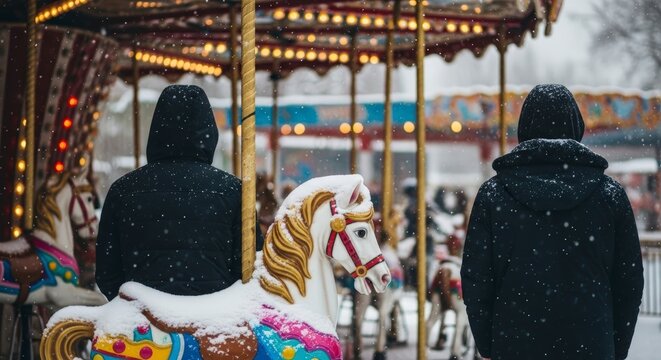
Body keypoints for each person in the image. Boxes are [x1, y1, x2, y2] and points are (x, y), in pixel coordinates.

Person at [461, 84, 644, 360]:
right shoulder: (609, 195)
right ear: (576, 126)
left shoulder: (494, 195)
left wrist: (488, 345)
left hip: (514, 343)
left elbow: (476, 279)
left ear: (525, 127)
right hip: (591, 342)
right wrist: (615, 345)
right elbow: (629, 281)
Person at [96, 85, 263, 299]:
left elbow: (107, 271)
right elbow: (250, 266)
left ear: (157, 128)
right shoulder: (232, 191)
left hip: (141, 318)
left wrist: (131, 302)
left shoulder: (123, 190)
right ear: (208, 131)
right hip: (213, 318)